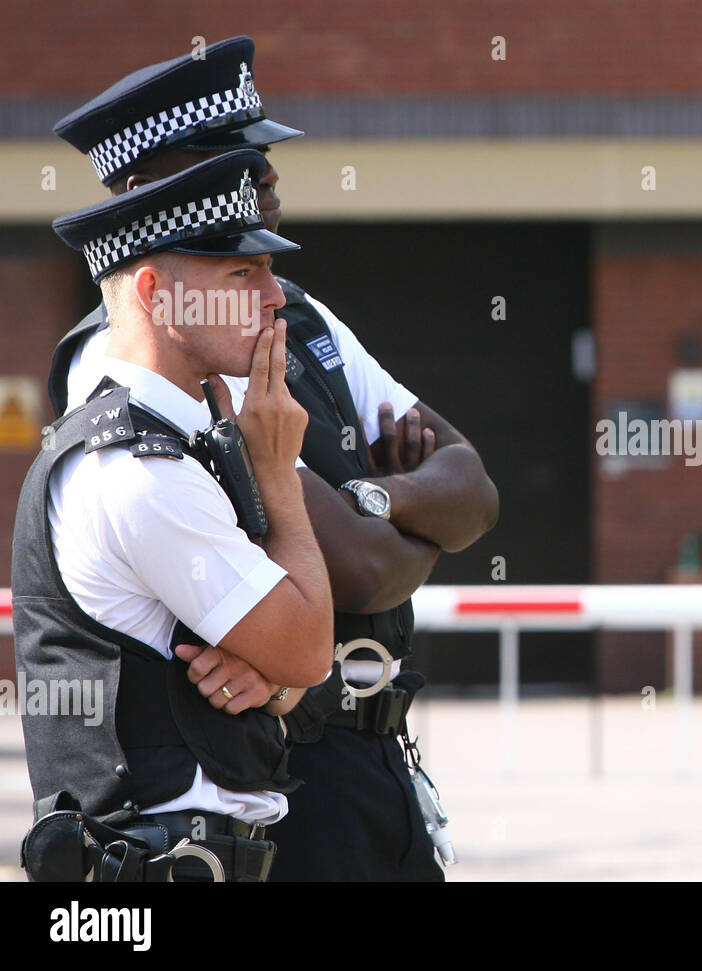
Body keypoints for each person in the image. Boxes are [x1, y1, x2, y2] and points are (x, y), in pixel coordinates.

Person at [49, 35, 499, 880]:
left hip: (377, 754)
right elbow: (361, 572)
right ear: (151, 193)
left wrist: (366, 495)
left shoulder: (297, 313)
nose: (268, 183)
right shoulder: (125, 365)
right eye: (236, 160)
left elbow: (474, 489)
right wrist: (405, 509)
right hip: (283, 777)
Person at [15, 150, 333, 882]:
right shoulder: (140, 470)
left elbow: (291, 665)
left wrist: (276, 678)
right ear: (157, 294)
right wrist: (280, 477)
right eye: (242, 275)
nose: (275, 296)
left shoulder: (182, 441)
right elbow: (311, 646)